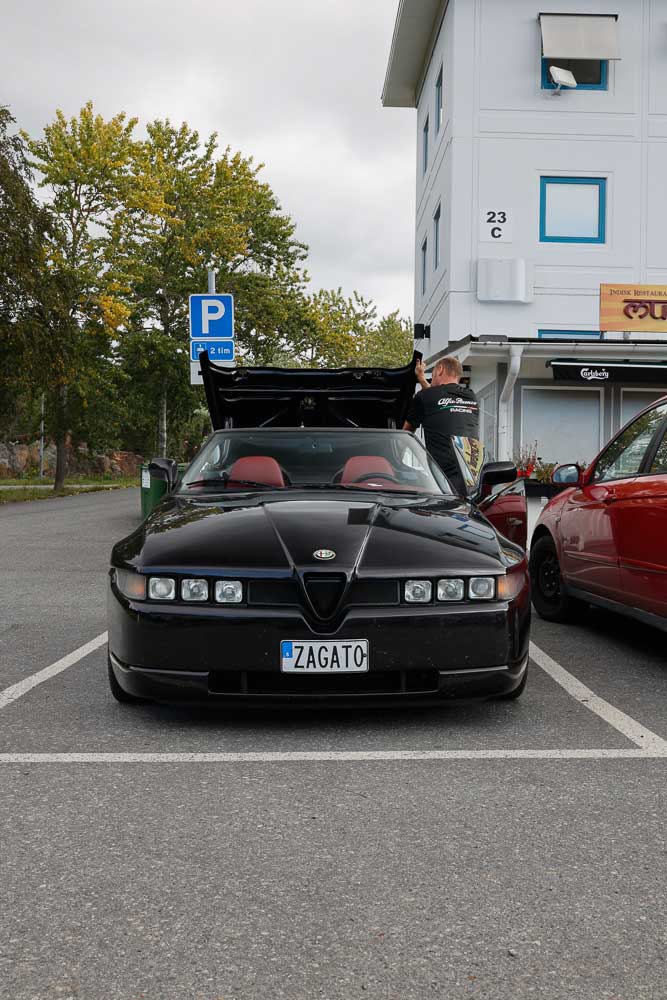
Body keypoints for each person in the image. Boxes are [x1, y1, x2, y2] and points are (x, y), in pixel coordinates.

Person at [403, 356, 480, 495]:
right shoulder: (471, 396)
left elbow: (405, 435)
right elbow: (434, 397)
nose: (431, 379)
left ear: (440, 369)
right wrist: (421, 378)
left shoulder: (425, 397)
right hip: (471, 480)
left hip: (442, 480)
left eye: (432, 375)